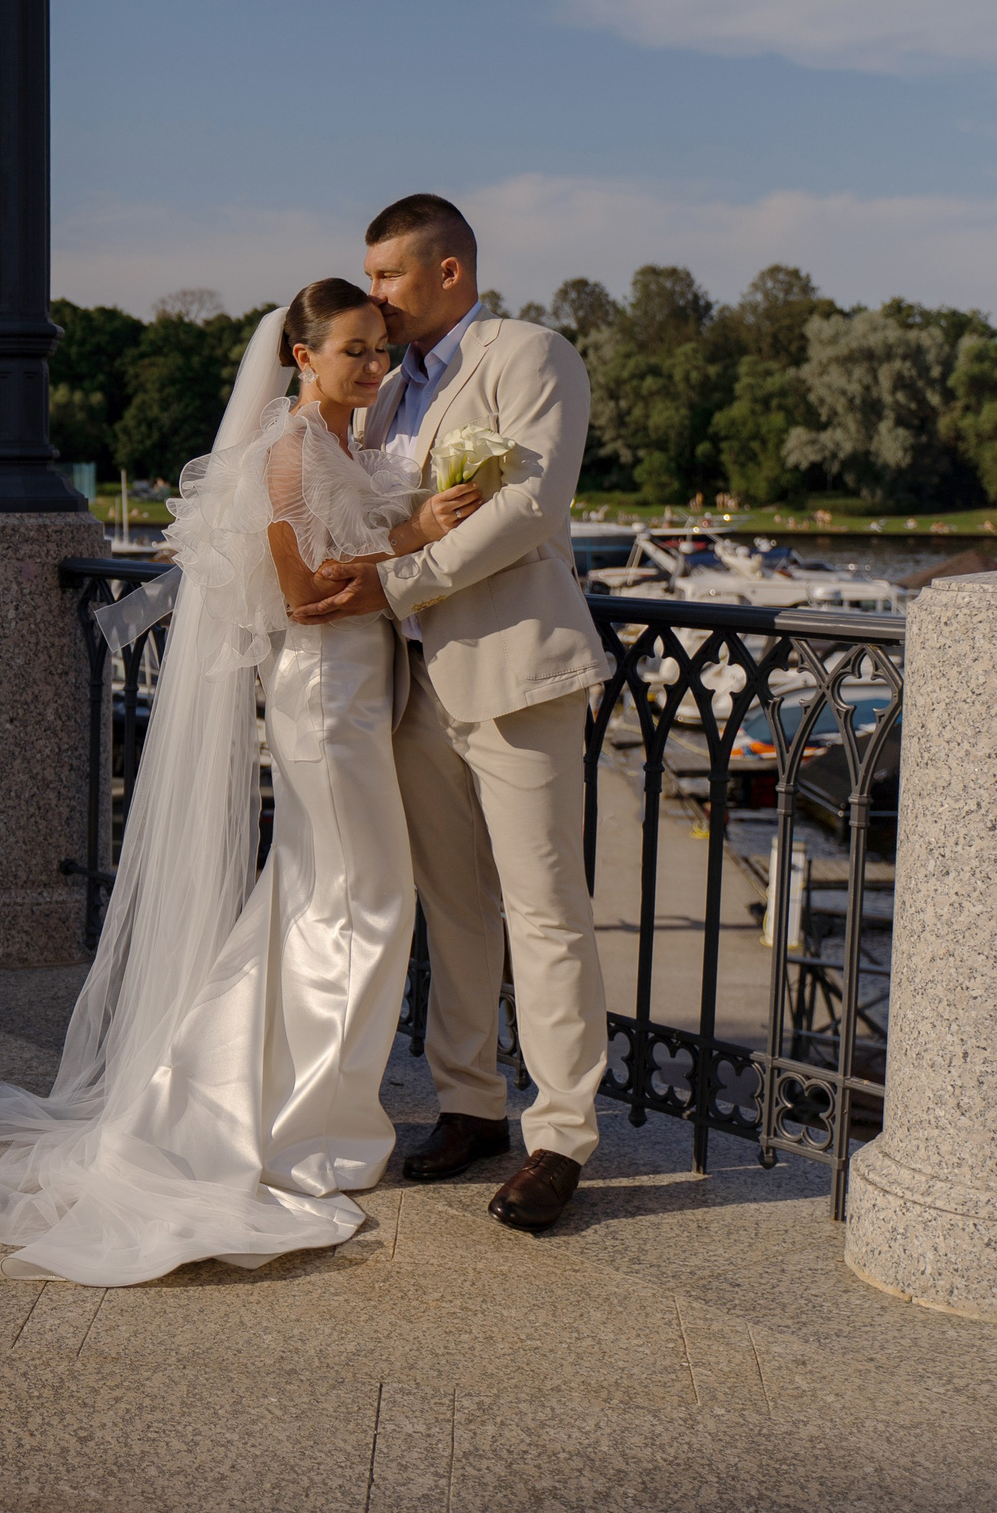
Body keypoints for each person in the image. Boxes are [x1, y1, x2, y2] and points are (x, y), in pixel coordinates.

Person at [0, 280, 482, 1286]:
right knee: (365, 901)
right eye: (353, 351)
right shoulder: (288, 454)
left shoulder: (341, 445)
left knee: (320, 901)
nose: (372, 369)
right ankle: (298, 1128)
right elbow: (305, 598)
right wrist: (417, 535)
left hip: (353, 699)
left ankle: (260, 1106)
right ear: (300, 357)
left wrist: (403, 534)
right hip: (320, 704)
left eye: (379, 354)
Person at [292, 194, 612, 1233]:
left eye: (385, 276)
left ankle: (560, 1137)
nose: (372, 295)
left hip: (516, 671)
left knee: (545, 908)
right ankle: (469, 1102)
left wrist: (394, 582)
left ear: (447, 273)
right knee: (455, 907)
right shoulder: (381, 392)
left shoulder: (530, 355)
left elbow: (528, 511)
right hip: (412, 683)